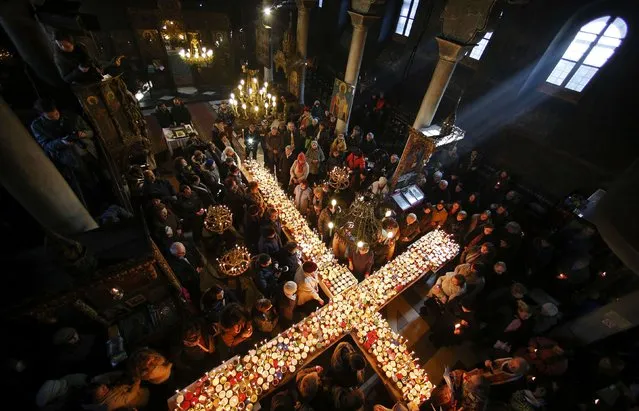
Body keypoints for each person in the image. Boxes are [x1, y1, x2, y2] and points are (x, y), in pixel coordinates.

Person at [31, 98, 98, 176]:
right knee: (85, 179)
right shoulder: (37, 126)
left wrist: (84, 134)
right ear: (42, 115)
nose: (56, 118)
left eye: (56, 114)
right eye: (51, 117)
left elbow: (91, 132)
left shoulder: (71, 116)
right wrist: (62, 142)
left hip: (89, 151)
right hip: (69, 160)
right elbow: (46, 146)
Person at [84, 373, 149, 411]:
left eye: (104, 386)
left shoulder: (104, 396)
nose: (105, 387)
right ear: (94, 397)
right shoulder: (110, 403)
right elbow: (131, 395)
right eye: (103, 389)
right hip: (140, 396)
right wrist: (137, 381)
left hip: (132, 389)